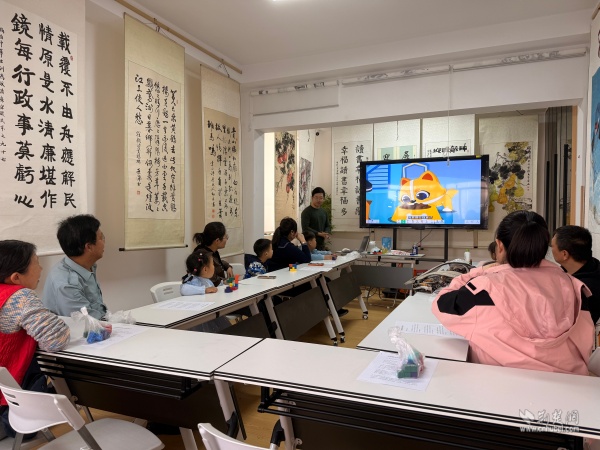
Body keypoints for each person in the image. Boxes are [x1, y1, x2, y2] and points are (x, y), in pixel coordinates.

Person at [432, 210, 594, 375]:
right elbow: (584, 341)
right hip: (573, 384)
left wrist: (481, 270)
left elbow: (441, 304)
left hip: (505, 385)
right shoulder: (574, 286)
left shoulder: (483, 289)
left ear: (500, 245)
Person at [0, 240, 70, 438]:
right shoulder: (19, 297)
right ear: (16, 277)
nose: (41, 269)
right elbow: (55, 340)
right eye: (37, 263)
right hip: (9, 395)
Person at [43, 214, 107, 320]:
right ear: (89, 247)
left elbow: (98, 310)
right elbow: (86, 322)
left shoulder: (85, 266)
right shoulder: (67, 283)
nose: (104, 242)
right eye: (101, 238)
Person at [551, 225, 600, 324]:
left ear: (564, 254)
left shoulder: (584, 290)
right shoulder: (593, 265)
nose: (551, 249)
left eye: (552, 246)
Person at [180, 250, 230, 333]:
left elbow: (213, 288)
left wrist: (224, 283)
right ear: (205, 269)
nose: (214, 267)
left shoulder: (206, 280)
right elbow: (184, 289)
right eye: (213, 264)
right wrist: (204, 290)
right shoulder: (194, 280)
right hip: (199, 317)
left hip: (210, 312)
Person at [193, 222, 232, 287]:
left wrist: (228, 267)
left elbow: (217, 262)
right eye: (225, 237)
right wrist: (225, 281)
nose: (227, 239)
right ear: (217, 241)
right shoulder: (203, 255)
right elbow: (210, 279)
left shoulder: (211, 250)